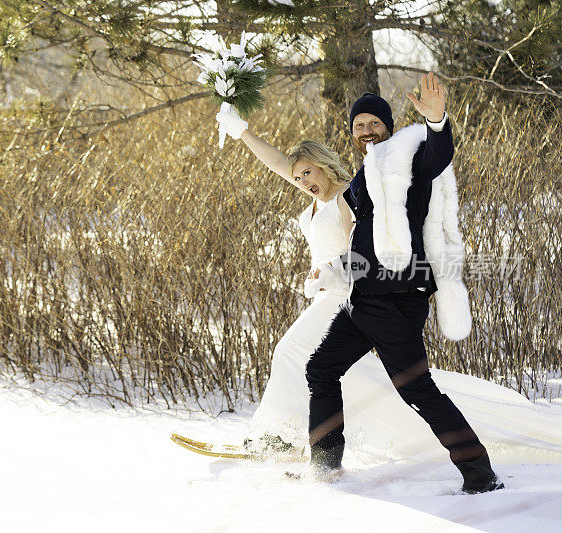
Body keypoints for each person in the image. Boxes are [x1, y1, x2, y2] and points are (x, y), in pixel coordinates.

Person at [215, 74, 562, 492]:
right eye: (359, 125)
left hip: (397, 298)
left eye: (373, 123)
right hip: (363, 298)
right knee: (320, 369)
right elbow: (363, 241)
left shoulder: (407, 157)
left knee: (417, 389)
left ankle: (480, 473)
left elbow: (437, 156)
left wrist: (437, 122)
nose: (366, 131)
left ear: (388, 126)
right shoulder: (365, 176)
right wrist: (334, 271)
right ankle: (325, 466)